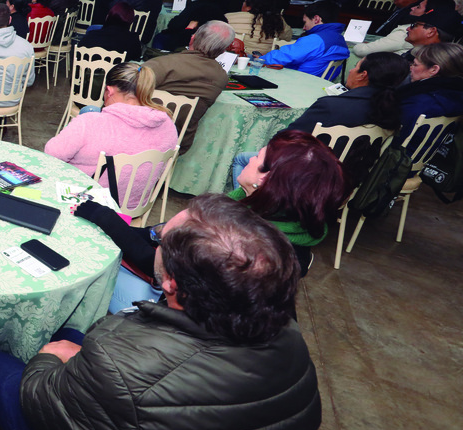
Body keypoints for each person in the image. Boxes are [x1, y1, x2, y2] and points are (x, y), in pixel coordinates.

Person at [0, 194, 321, 430]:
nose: (154, 244)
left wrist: (48, 360)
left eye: (159, 243)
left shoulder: (119, 360)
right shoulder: (293, 342)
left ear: (170, 284)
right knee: (75, 338)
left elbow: (39, 404)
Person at [44, 62, 178, 206]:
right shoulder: (168, 126)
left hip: (87, 204)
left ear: (109, 91)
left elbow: (51, 154)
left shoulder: (91, 122)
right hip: (132, 207)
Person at [230, 130, 347, 262]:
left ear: (264, 179)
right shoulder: (294, 224)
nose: (251, 159)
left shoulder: (242, 245)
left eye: (257, 157)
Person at [144, 20, 235, 154]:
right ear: (222, 51)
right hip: (175, 144)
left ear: (192, 38)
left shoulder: (161, 65)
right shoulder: (221, 77)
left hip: (139, 134)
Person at [288, 51, 406, 135]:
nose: (351, 70)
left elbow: (286, 137)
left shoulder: (330, 106)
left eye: (355, 66)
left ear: (362, 75)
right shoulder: (395, 108)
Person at [259, 0, 348, 76]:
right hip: (317, 84)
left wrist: (260, 59)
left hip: (294, 81)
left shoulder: (316, 40)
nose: (304, 28)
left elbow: (284, 56)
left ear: (316, 19)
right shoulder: (340, 40)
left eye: (305, 22)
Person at [397, 43, 463, 139]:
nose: (411, 68)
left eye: (415, 64)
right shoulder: (456, 95)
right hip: (432, 152)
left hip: (401, 152)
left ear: (434, 70)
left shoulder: (417, 101)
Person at [354, 0, 442, 58]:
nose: (412, 8)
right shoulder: (404, 16)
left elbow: (362, 51)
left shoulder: (406, 33)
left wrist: (355, 45)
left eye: (418, 7)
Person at [152, 0, 225, 51]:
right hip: (212, 44)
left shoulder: (195, 5)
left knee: (159, 37)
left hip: (186, 41)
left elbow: (175, 25)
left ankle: (156, 60)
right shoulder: (221, 9)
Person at [225, 0, 290, 56]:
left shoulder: (230, 17)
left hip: (239, 57)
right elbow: (288, 37)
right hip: (265, 60)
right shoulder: (277, 20)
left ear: (248, 7)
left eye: (244, 2)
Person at [76, 1, 142, 61]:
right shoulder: (133, 40)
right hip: (117, 72)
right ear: (130, 21)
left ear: (108, 16)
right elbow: (136, 59)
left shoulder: (91, 35)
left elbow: (79, 54)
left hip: (91, 69)